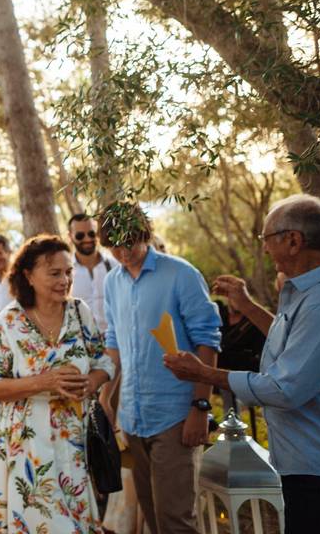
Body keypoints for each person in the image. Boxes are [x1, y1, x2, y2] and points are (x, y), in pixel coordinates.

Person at [165, 194, 320, 533]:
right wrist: (247, 304)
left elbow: (286, 388)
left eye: (266, 239)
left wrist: (205, 374)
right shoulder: (306, 293)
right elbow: (295, 349)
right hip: (301, 463)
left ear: (294, 241)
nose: (265, 249)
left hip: (319, 469)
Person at [96, 202, 221, 534]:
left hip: (175, 416)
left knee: (176, 520)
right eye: (113, 246)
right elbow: (114, 341)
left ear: (144, 234)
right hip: (133, 418)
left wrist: (200, 407)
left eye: (128, 243)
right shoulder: (112, 283)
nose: (122, 252)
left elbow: (208, 342)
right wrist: (106, 397)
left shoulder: (181, 274)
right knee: (150, 516)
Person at [0, 235, 115, 532]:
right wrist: (43, 382)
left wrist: (90, 383)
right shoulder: (6, 323)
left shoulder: (80, 313)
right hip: (27, 449)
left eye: (68, 272)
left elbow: (104, 363)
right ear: (27, 275)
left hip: (74, 448)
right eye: (54, 273)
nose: (64, 280)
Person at [68, 213, 115, 333]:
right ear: (70, 236)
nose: (87, 239)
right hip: (82, 344)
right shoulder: (65, 272)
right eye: (80, 235)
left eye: (91, 233)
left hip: (115, 341)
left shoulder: (115, 266)